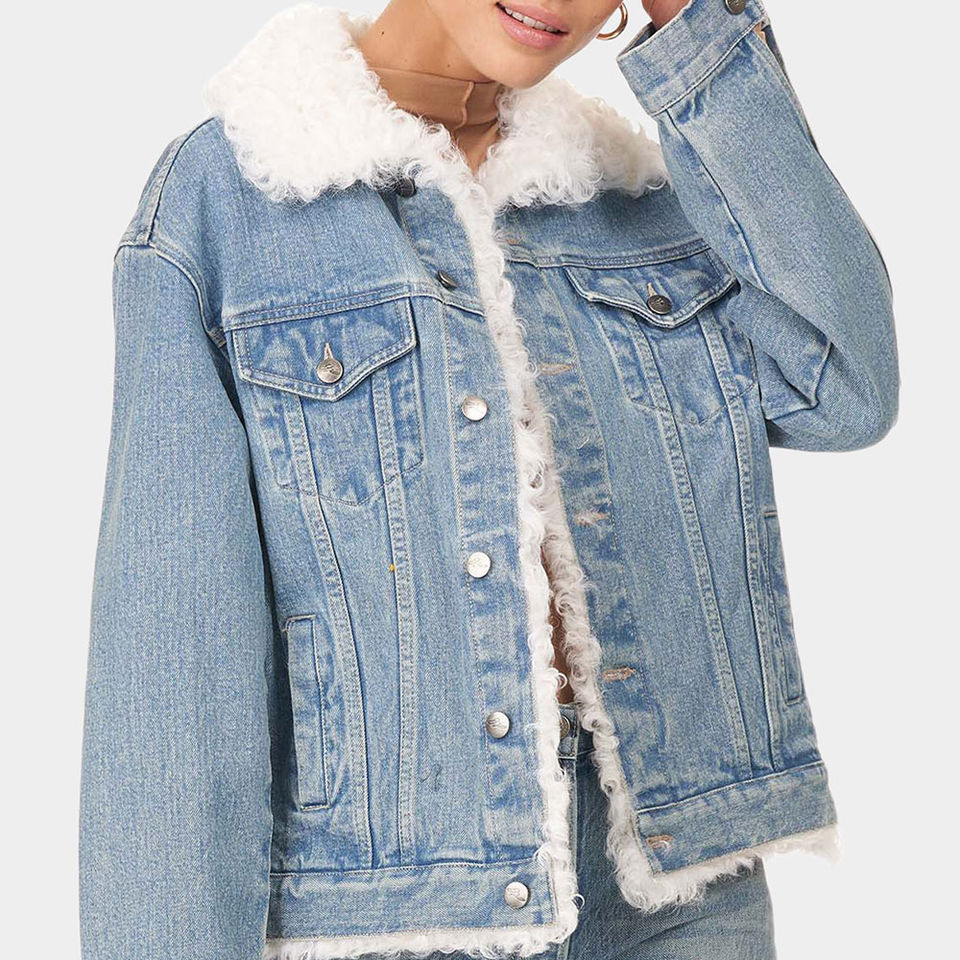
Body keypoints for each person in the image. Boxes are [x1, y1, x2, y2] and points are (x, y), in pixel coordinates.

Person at [78, 1, 899, 958]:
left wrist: (694, 32)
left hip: (679, 897)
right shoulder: (229, 201)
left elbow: (846, 387)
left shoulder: (629, 192)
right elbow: (174, 675)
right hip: (396, 917)